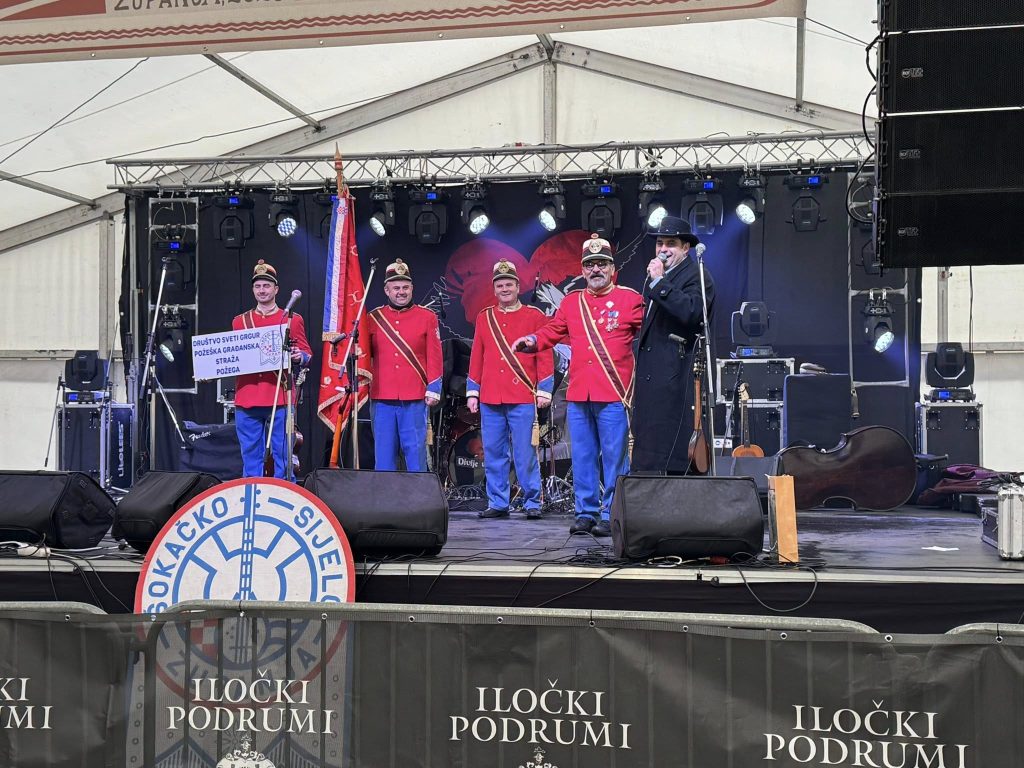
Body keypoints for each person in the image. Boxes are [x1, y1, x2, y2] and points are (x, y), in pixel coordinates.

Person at [514, 235, 643, 537]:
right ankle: (586, 512)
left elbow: (651, 335)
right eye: (590, 265)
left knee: (614, 458)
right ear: (583, 270)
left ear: (613, 269)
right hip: (580, 393)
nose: (596, 269)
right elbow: (553, 330)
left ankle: (613, 514)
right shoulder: (572, 302)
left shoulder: (630, 299)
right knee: (583, 456)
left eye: (602, 264)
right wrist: (532, 340)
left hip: (613, 393)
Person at [466, 260, 554, 520]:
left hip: (522, 395)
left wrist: (544, 389)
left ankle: (532, 501)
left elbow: (544, 354)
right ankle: (498, 502)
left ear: (518, 286)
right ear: (494, 289)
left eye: (509, 284)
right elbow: (477, 355)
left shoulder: (535, 316)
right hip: (491, 396)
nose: (504, 289)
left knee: (525, 453)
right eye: (500, 285)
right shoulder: (485, 317)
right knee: (494, 452)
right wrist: (473, 391)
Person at [632, 216, 716, 474]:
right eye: (660, 243)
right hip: (654, 377)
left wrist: (660, 283)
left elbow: (692, 311)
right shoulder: (663, 277)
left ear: (685, 248)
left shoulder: (696, 275)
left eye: (671, 244)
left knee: (672, 445)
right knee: (650, 443)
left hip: (676, 375)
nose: (663, 249)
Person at [233, 259, 312, 479]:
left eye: (266, 286)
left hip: (280, 395)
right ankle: (252, 492)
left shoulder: (292, 320)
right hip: (247, 394)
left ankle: (284, 493)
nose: (262, 290)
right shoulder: (240, 321)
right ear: (253, 290)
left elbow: (307, 354)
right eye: (257, 286)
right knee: (250, 455)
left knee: (284, 454)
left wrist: (299, 356)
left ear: (276, 289)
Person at [365, 258, 442, 471]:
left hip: (415, 397)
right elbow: (363, 356)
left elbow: (435, 356)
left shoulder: (427, 317)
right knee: (384, 458)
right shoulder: (373, 318)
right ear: (386, 290)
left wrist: (434, 388)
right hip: (382, 396)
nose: (401, 292)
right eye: (396, 288)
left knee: (416, 456)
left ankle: (418, 494)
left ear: (412, 288)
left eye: (405, 287)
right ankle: (386, 493)